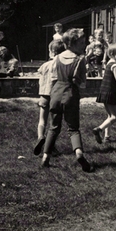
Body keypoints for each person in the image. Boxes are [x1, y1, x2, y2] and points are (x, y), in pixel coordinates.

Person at [41, 28, 93, 172]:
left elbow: (53, 77)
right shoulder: (79, 59)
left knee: (53, 127)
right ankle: (79, 153)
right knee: (73, 128)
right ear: (72, 44)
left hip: (56, 93)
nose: (84, 45)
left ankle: (45, 156)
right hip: (70, 93)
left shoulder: (57, 58)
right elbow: (82, 83)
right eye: (82, 43)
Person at [33, 39, 65, 157]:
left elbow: (40, 75)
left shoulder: (45, 65)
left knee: (42, 120)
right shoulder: (60, 66)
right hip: (54, 96)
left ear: (51, 52)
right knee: (54, 124)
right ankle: (50, 145)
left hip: (43, 95)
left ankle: (41, 137)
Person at [93, 43, 116, 144]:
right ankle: (98, 129)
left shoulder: (110, 63)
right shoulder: (115, 65)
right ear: (112, 53)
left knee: (109, 116)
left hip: (105, 92)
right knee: (114, 117)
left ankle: (107, 137)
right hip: (111, 93)